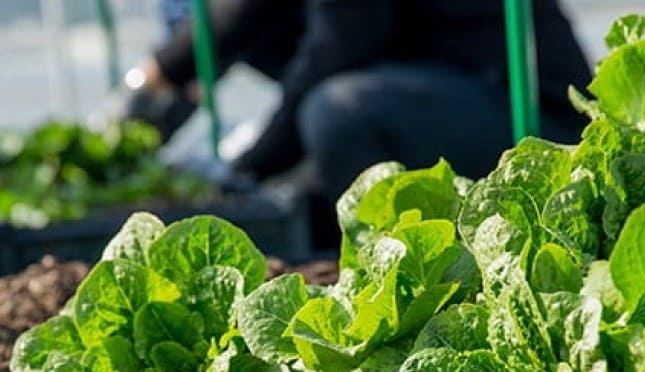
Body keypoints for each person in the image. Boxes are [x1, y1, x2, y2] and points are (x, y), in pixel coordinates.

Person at [127, 0, 592, 248]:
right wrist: (156, 76)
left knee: (337, 112)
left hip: (535, 119)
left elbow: (339, 46)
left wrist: (249, 164)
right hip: (443, 92)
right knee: (304, 192)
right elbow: (241, 12)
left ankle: (400, 262)